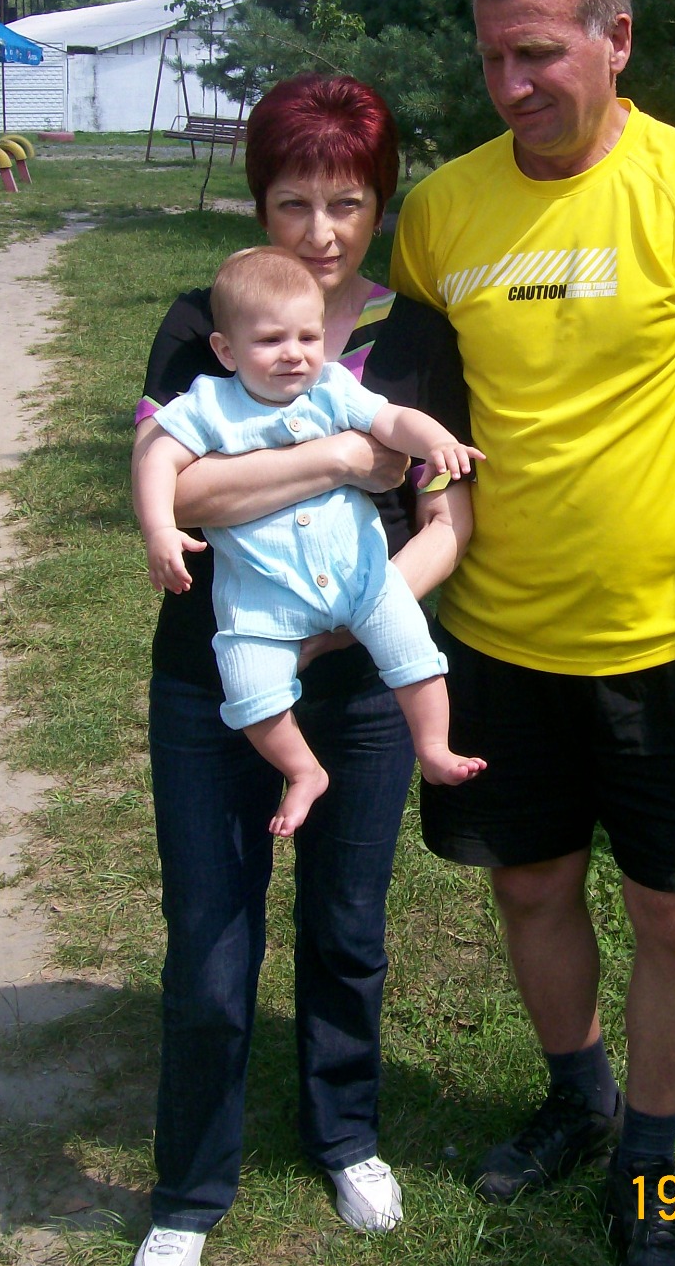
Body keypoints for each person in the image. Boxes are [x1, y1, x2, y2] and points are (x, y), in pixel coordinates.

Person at [387, 0, 675, 1266]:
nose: (512, 85)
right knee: (528, 882)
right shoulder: (442, 213)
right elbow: (413, 412)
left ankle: (653, 1160)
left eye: (539, 53)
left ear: (616, 40)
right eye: (492, 58)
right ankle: (578, 1094)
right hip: (499, 636)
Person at [130, 74, 474, 1266]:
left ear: (381, 204)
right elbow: (182, 489)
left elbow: (447, 520)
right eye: (293, 202)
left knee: (347, 926)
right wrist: (336, 454)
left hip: (364, 683)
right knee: (211, 943)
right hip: (215, 680)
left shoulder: (416, 338)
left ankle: (345, 1132)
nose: (321, 233)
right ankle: (188, 1196)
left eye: (348, 203)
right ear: (258, 203)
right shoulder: (207, 320)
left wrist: (352, 624)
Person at [134, 246, 485, 836]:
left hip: (362, 581)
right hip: (261, 604)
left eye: (308, 337)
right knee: (248, 687)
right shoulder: (209, 404)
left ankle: (433, 748)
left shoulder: (333, 388)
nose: (294, 353)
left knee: (414, 654)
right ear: (226, 350)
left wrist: (436, 441)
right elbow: (157, 460)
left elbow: (394, 420)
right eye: (271, 340)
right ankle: (303, 771)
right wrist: (160, 530)